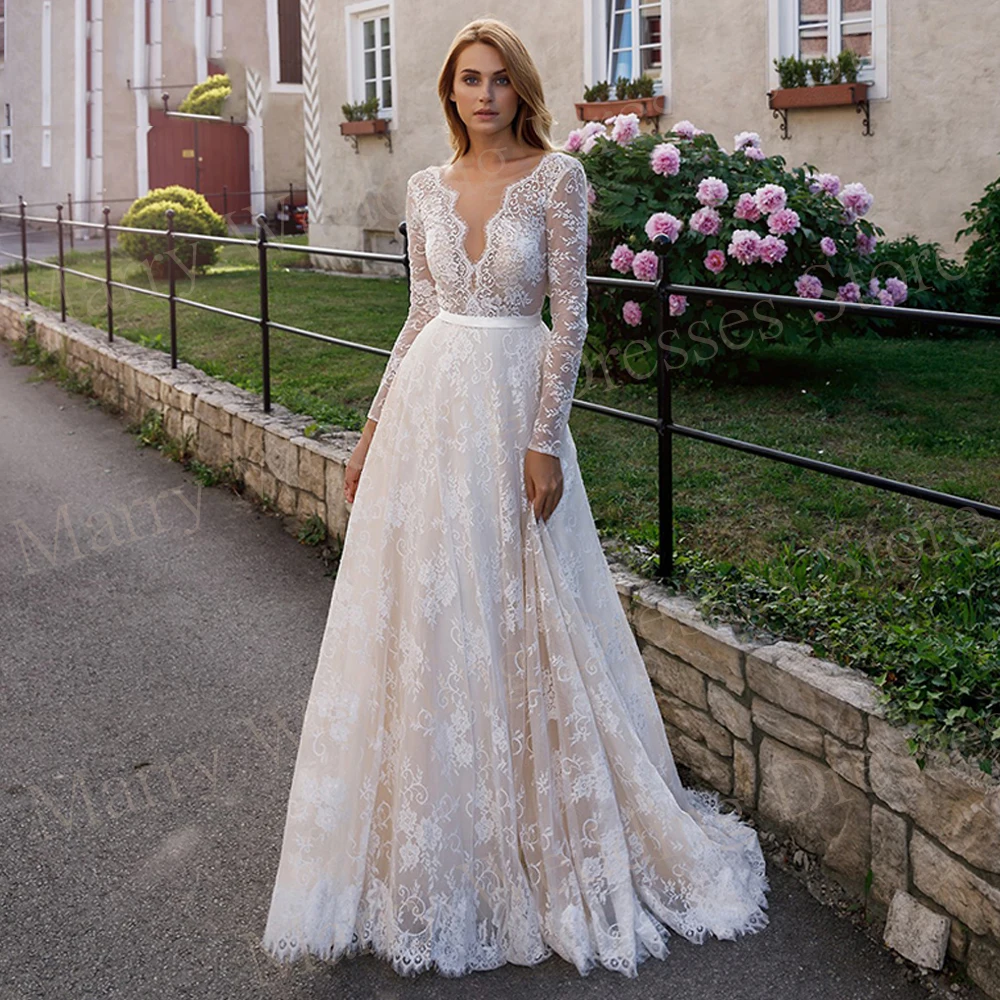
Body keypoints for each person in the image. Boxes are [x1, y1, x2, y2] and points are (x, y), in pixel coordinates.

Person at [261, 17, 770, 979]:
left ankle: (545, 824)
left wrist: (544, 441)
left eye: (498, 79)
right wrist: (369, 434)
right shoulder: (422, 187)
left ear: (520, 89)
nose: (484, 94)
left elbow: (570, 318)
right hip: (430, 412)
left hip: (510, 407)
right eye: (468, 80)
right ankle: (434, 835)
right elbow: (417, 315)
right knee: (434, 612)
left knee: (524, 601)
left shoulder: (558, 179)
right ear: (450, 94)